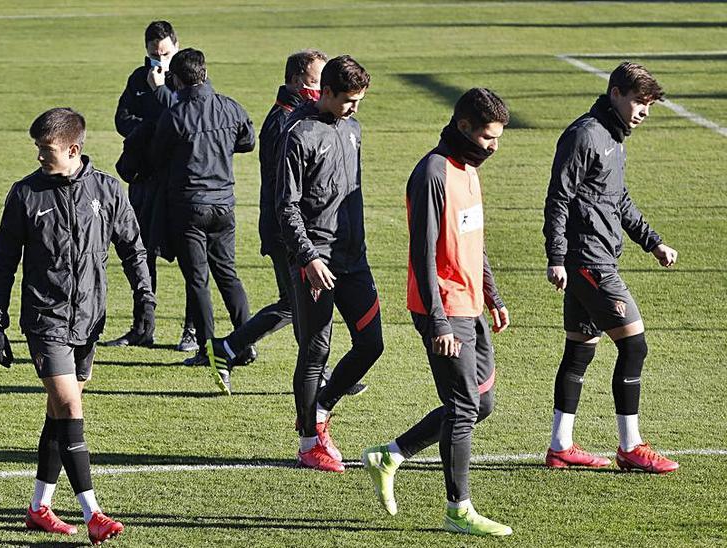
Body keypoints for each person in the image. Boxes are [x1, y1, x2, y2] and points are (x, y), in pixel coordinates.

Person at [0, 108, 148, 544]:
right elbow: (4, 261)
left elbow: (132, 248)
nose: (40, 156)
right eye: (38, 148)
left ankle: (40, 506)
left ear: (73, 149)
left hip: (89, 320)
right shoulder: (25, 195)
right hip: (46, 320)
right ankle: (93, 513)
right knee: (71, 411)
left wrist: (145, 299)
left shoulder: (108, 191)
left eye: (47, 149)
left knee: (58, 414)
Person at [361, 88, 514, 536]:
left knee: (481, 403)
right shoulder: (433, 172)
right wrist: (439, 321)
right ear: (464, 127)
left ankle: (390, 454)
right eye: (488, 136)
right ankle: (458, 510)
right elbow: (422, 255)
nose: (494, 146)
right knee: (464, 405)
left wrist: (493, 295)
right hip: (441, 307)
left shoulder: (469, 169)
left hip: (470, 304)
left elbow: (474, 239)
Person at [541, 62, 679, 474]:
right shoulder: (585, 135)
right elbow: (558, 198)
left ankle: (560, 445)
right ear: (616, 93)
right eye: (639, 101)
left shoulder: (613, 138)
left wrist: (653, 242)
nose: (644, 112)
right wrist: (556, 256)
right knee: (634, 346)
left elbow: (618, 200)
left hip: (596, 257)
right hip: (589, 262)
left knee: (580, 351)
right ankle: (630, 446)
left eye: (649, 105)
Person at [209, 49, 367, 397]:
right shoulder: (288, 123)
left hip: (302, 232)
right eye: (316, 80)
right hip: (289, 232)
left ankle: (228, 348)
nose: (321, 86)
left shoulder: (311, 118)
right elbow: (286, 192)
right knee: (300, 305)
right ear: (299, 81)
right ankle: (318, 374)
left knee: (293, 305)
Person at [275, 55, 383, 471]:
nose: (354, 107)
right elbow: (287, 208)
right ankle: (309, 443)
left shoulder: (353, 128)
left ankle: (320, 408)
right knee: (316, 348)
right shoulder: (298, 134)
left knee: (372, 343)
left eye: (359, 100)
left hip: (354, 260)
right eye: (349, 100)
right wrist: (308, 258)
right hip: (314, 262)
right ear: (327, 92)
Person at [148, 48, 255, 380]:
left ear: (177, 79)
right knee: (228, 274)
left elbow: (156, 156)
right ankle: (247, 340)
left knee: (198, 279)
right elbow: (248, 141)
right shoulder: (229, 106)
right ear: (204, 73)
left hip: (190, 205)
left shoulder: (176, 115)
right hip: (224, 203)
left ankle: (210, 350)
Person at [103, 20, 191, 350]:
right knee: (140, 256)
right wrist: (149, 129)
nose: (159, 60)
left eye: (165, 53)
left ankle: (191, 331)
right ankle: (144, 328)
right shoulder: (137, 79)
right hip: (144, 182)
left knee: (189, 259)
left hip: (179, 184)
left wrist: (160, 92)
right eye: (154, 54)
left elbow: (187, 120)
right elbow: (121, 119)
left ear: (176, 48)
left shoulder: (186, 78)